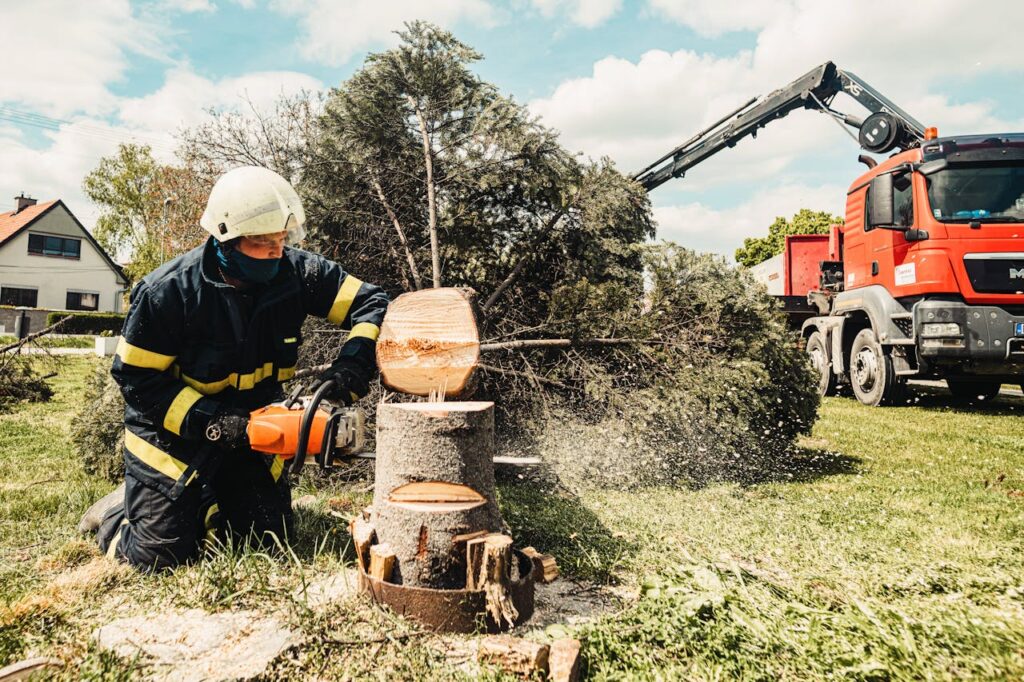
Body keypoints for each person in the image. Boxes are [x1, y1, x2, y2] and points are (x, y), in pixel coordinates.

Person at [80, 166, 389, 571]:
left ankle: (205, 503)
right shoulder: (168, 293)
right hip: (170, 434)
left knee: (268, 541)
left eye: (282, 239)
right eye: (263, 244)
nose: (277, 252)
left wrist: (351, 367)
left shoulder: (299, 274)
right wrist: (214, 422)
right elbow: (137, 380)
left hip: (254, 426)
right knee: (158, 558)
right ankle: (117, 514)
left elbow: (372, 303)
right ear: (225, 240)